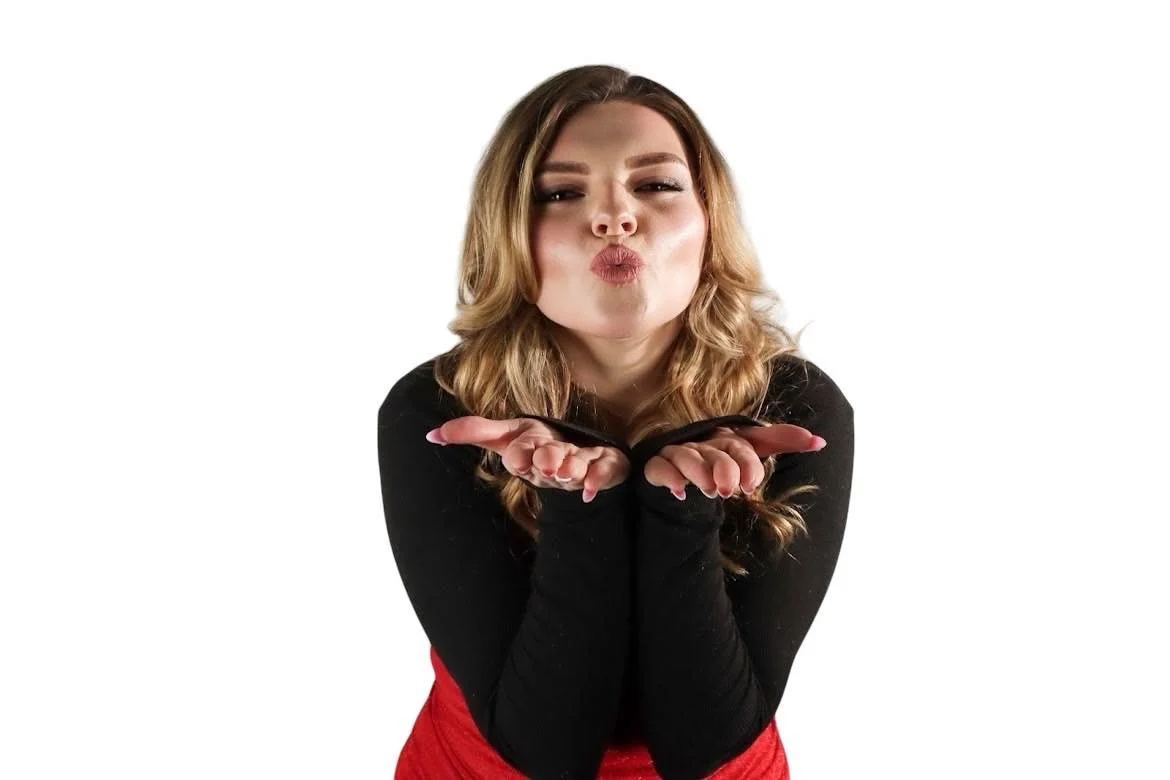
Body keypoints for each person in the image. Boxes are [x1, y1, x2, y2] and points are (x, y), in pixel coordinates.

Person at [377, 64, 854, 780]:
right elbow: (543, 747)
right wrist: (579, 502)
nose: (614, 217)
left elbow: (706, 744)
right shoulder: (442, 410)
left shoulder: (794, 407)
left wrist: (678, 505)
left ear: (710, 221)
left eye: (655, 184)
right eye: (562, 193)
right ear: (510, 234)